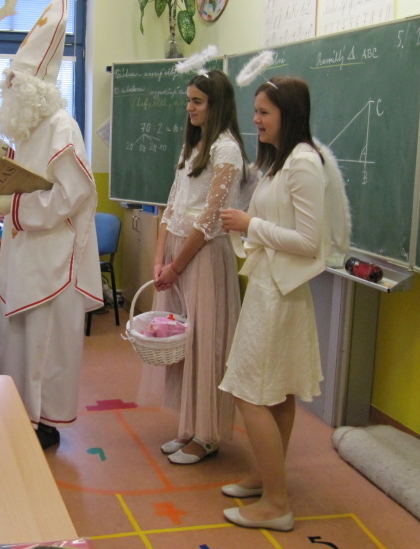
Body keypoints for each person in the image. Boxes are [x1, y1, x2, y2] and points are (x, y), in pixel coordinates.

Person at [218, 76, 350, 532]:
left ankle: (276, 503)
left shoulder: (303, 163)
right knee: (276, 392)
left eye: (263, 113)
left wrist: (250, 225)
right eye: (255, 111)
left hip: (279, 292)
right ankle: (265, 477)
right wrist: (250, 226)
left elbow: (310, 242)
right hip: (269, 286)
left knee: (248, 392)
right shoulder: (282, 160)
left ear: (287, 114)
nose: (255, 120)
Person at [0, 0, 103, 450]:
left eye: (13, 83)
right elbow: (29, 174)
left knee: (43, 346)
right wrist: (0, 151)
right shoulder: (31, 126)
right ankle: (17, 412)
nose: (6, 89)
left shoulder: (62, 127)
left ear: (34, 89)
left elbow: (71, 194)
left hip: (51, 256)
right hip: (25, 250)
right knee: (17, 339)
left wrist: (11, 207)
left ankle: (40, 421)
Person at [137, 69, 251, 465]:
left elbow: (209, 220)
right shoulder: (195, 147)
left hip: (201, 258)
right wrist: (159, 259)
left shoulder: (227, 150)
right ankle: (189, 426)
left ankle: (207, 435)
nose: (189, 108)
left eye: (197, 101)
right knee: (182, 343)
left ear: (216, 105)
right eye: (188, 100)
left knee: (204, 343)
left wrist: (176, 266)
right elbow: (171, 206)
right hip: (178, 256)